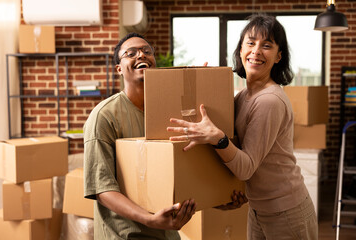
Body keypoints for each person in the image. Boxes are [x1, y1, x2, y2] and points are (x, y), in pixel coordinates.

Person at [167, 14, 318, 240]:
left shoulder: (269, 100)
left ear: (278, 56)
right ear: (240, 50)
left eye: (266, 45)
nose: (256, 51)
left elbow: (245, 167)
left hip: (286, 211)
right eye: (251, 43)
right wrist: (202, 84)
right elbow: (220, 127)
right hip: (259, 209)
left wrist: (218, 139)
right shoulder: (244, 96)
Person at [83, 32, 197, 240]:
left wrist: (220, 200)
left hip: (167, 234)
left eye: (147, 51)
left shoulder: (169, 115)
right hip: (126, 235)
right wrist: (149, 219)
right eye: (131, 53)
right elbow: (102, 189)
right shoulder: (104, 116)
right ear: (119, 69)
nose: (141, 55)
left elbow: (183, 173)